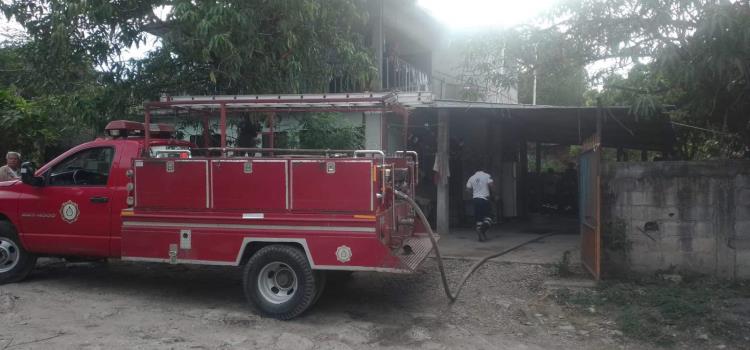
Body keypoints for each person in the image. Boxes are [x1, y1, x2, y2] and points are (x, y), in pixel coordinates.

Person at [466, 168, 495, 242]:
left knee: (479, 218)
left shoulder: (471, 177)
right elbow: (491, 185)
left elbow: (468, 189)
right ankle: (482, 230)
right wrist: (493, 194)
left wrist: (474, 194)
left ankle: (480, 232)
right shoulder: (486, 175)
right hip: (484, 199)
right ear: (483, 170)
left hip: (475, 200)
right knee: (490, 217)